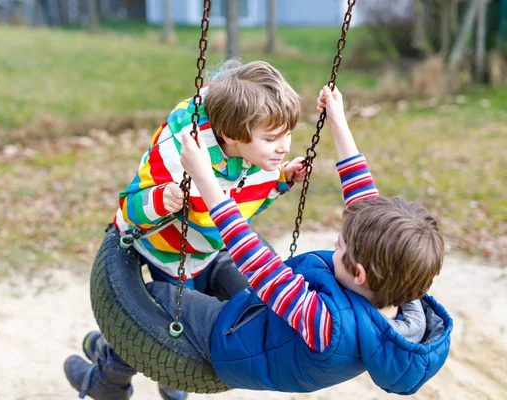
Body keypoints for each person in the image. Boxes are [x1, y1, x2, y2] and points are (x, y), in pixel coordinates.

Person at [65, 85, 453, 398]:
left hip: (229, 345)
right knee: (207, 272)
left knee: (158, 299)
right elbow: (364, 204)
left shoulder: (328, 326)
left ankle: (108, 375)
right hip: (260, 324)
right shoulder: (398, 289)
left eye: (339, 246)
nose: (336, 243)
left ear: (360, 273)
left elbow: (250, 254)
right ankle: (149, 377)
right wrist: (338, 121)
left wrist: (203, 178)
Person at [65, 60, 307, 400]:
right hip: (162, 248)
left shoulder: (260, 157)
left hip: (203, 249)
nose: (284, 147)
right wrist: (163, 198)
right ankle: (108, 379)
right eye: (272, 138)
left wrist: (282, 180)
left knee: (184, 314)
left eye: (288, 134)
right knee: (161, 320)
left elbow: (239, 204)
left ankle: (133, 365)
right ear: (232, 135)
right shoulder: (181, 154)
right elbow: (129, 208)